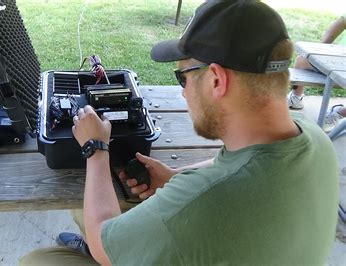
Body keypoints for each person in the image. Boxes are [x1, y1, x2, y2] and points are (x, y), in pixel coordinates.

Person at [20, 0, 339, 264]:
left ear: (216, 80)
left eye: (183, 77)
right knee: (92, 202)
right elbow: (236, 165)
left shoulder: (202, 205)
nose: (184, 92)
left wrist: (95, 147)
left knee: (40, 260)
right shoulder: (314, 137)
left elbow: (105, 248)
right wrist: (175, 176)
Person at [288, 14, 346, 131]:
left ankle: (339, 112)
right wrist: (320, 49)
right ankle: (296, 97)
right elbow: (341, 23)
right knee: (303, 60)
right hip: (339, 58)